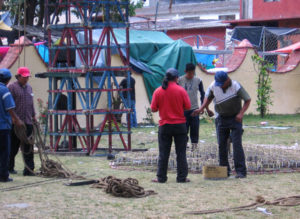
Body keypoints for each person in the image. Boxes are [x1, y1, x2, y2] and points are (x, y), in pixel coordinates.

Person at [192, 71, 251, 178]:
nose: (219, 86)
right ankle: (224, 171)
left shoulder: (235, 86)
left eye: (221, 83)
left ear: (227, 80)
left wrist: (241, 113)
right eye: (218, 83)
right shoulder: (214, 85)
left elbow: (247, 99)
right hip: (221, 119)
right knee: (222, 146)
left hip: (235, 118)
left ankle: (241, 172)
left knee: (237, 145)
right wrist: (203, 108)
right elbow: (208, 97)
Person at [151, 68, 191, 183]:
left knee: (163, 153)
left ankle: (161, 177)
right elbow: (188, 106)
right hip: (180, 125)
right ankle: (182, 177)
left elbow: (153, 109)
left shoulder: (158, 91)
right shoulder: (181, 90)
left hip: (165, 126)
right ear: (177, 78)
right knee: (181, 153)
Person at [8, 67, 36, 176]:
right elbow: (9, 106)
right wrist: (14, 119)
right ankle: (9, 167)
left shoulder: (29, 88)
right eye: (24, 77)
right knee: (13, 147)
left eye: (27, 77)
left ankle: (29, 170)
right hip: (15, 123)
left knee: (28, 147)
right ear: (18, 76)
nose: (26, 79)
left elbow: (31, 103)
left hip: (27, 122)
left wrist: (33, 116)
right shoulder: (12, 87)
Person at [178, 63, 212, 151]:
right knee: (183, 129)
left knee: (194, 129)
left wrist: (202, 107)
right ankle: (183, 145)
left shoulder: (198, 80)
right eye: (189, 73)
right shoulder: (180, 80)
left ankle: (194, 146)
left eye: (193, 73)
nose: (191, 75)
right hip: (183, 110)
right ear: (185, 71)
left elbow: (202, 94)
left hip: (195, 109)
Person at [0, 68, 22, 182]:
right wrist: (17, 120)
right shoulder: (4, 91)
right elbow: (10, 108)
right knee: (4, 152)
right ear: (8, 79)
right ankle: (3, 175)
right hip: (3, 127)